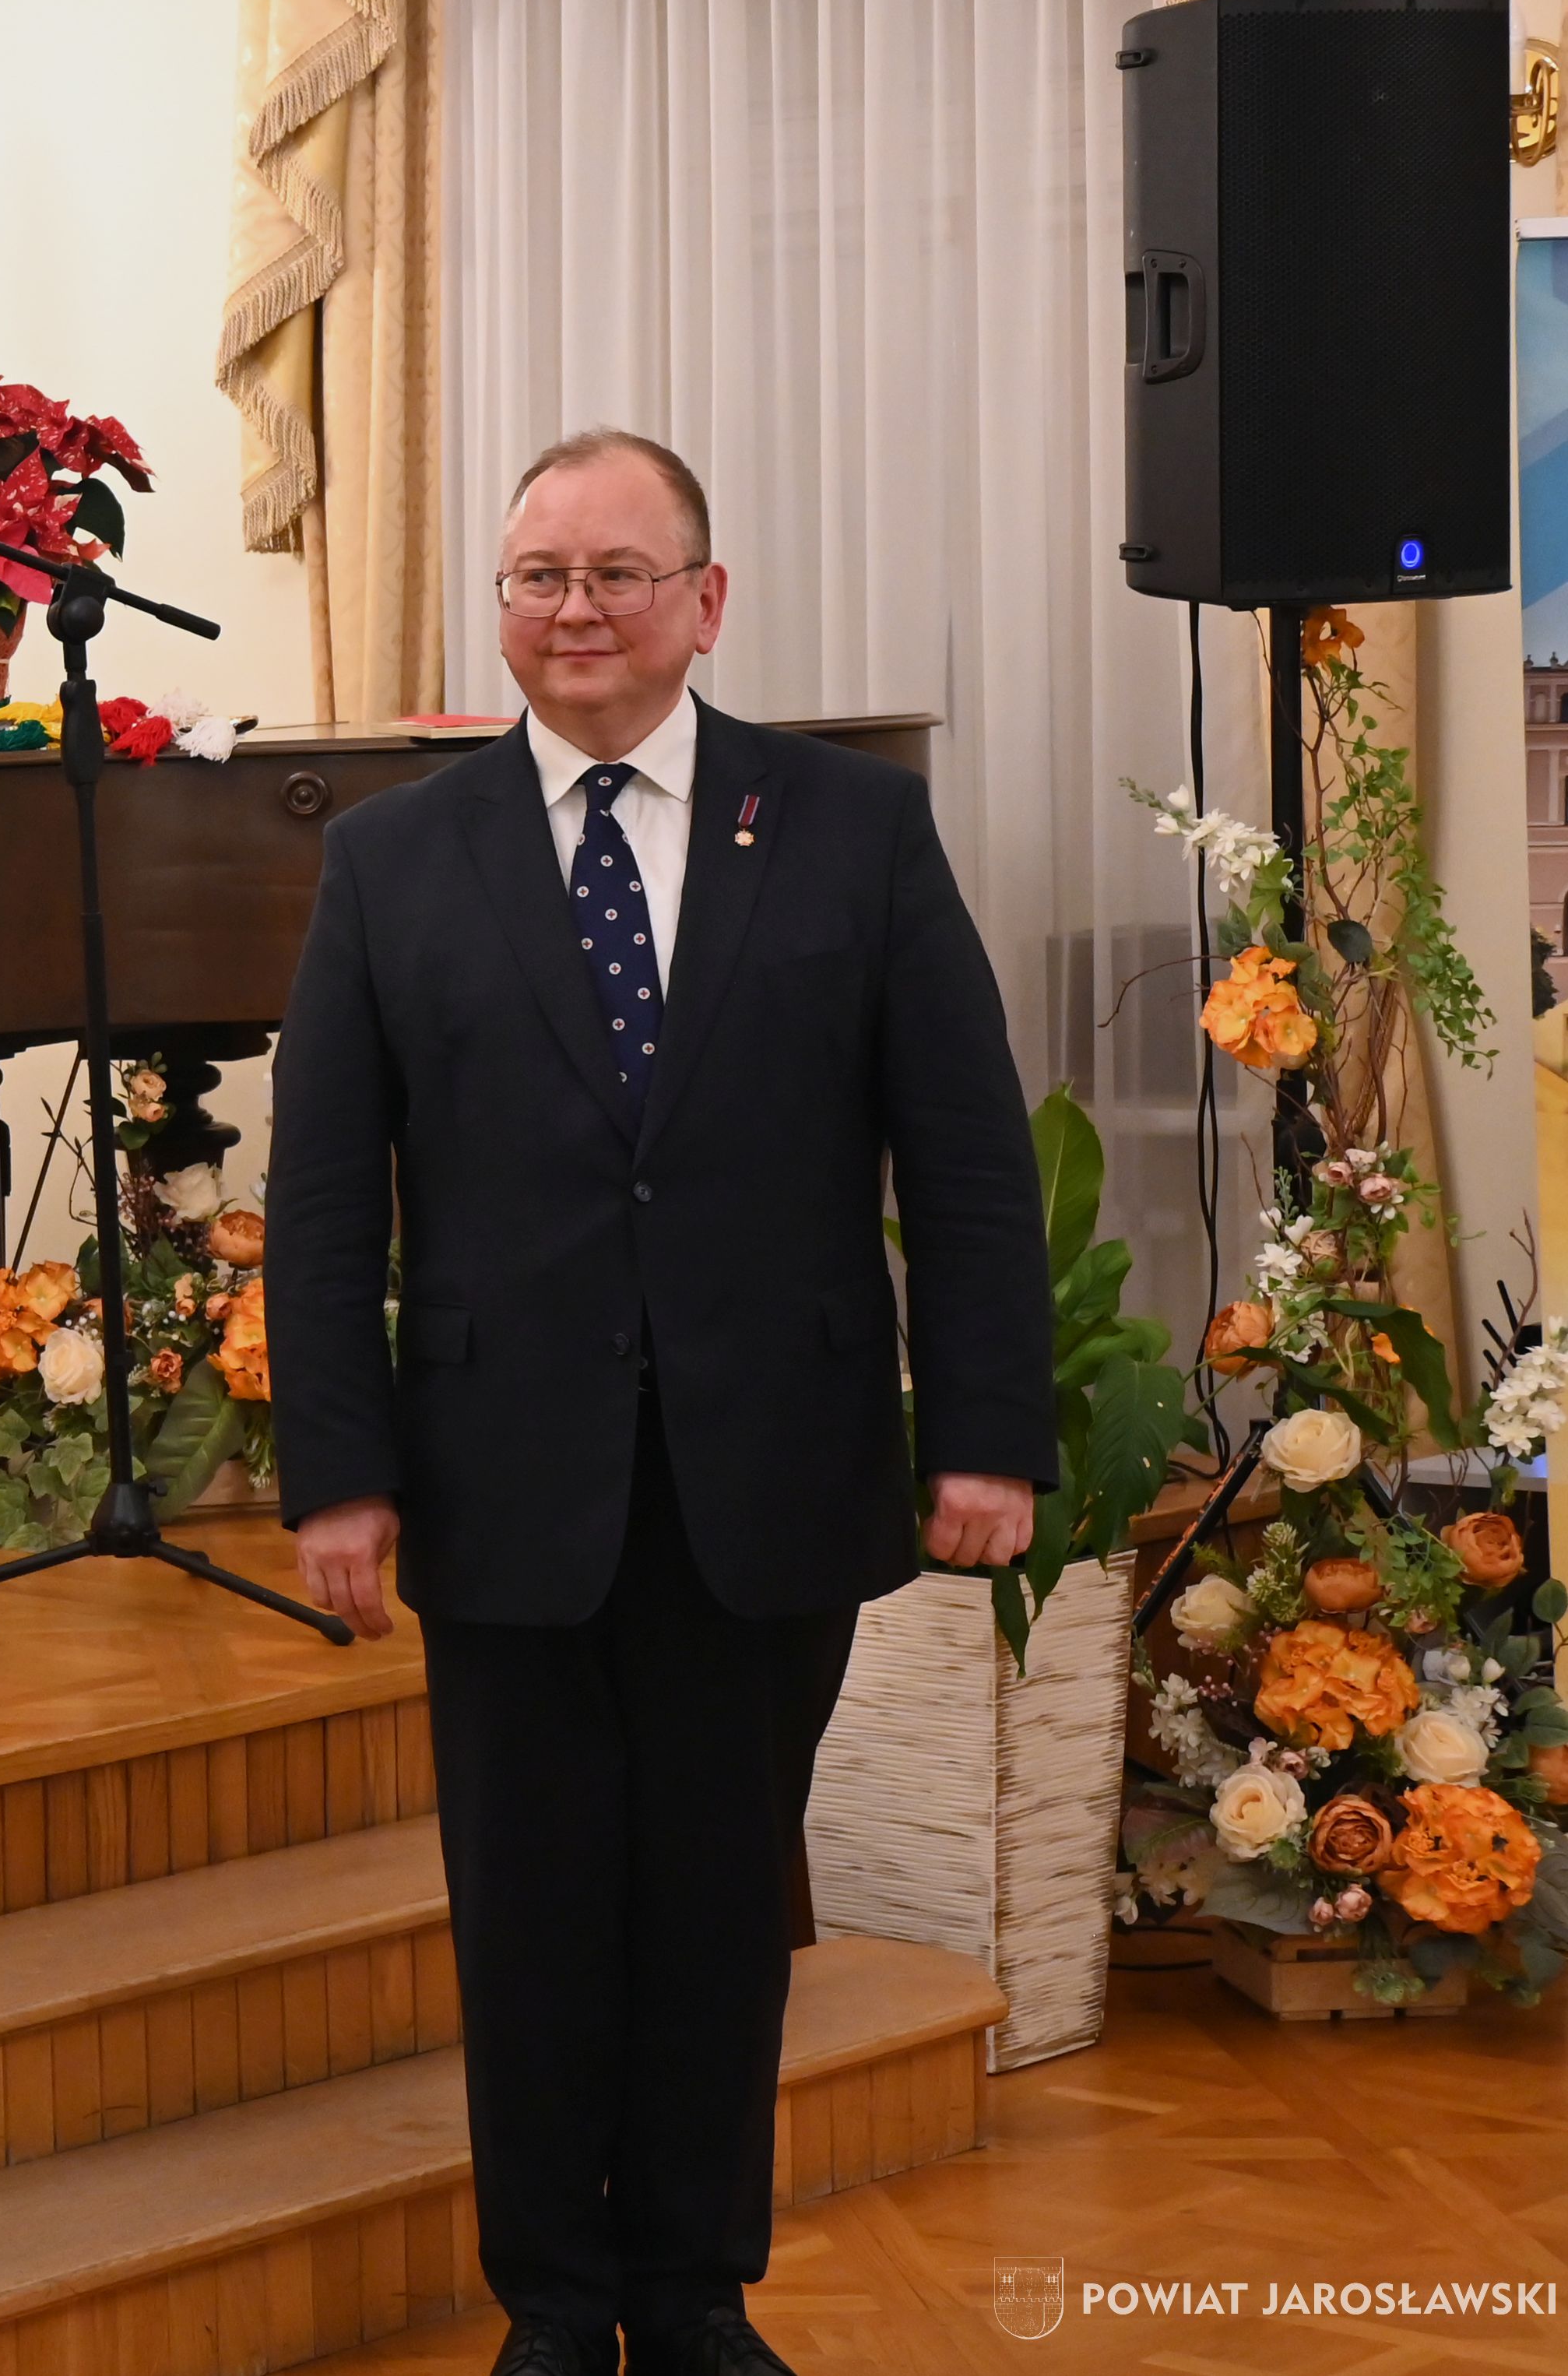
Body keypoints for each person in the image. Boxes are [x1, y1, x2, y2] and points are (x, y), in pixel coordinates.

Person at [264, 430, 1048, 2376]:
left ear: (706, 601)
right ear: (501, 604)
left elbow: (962, 1156)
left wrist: (983, 1430)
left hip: (763, 1473)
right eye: (540, 574)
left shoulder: (851, 827)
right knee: (528, 1920)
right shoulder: (392, 856)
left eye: (619, 572)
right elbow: (320, 1193)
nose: (577, 609)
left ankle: (694, 2292)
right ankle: (550, 2304)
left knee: (716, 1908)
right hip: (498, 1482)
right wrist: (337, 1468)